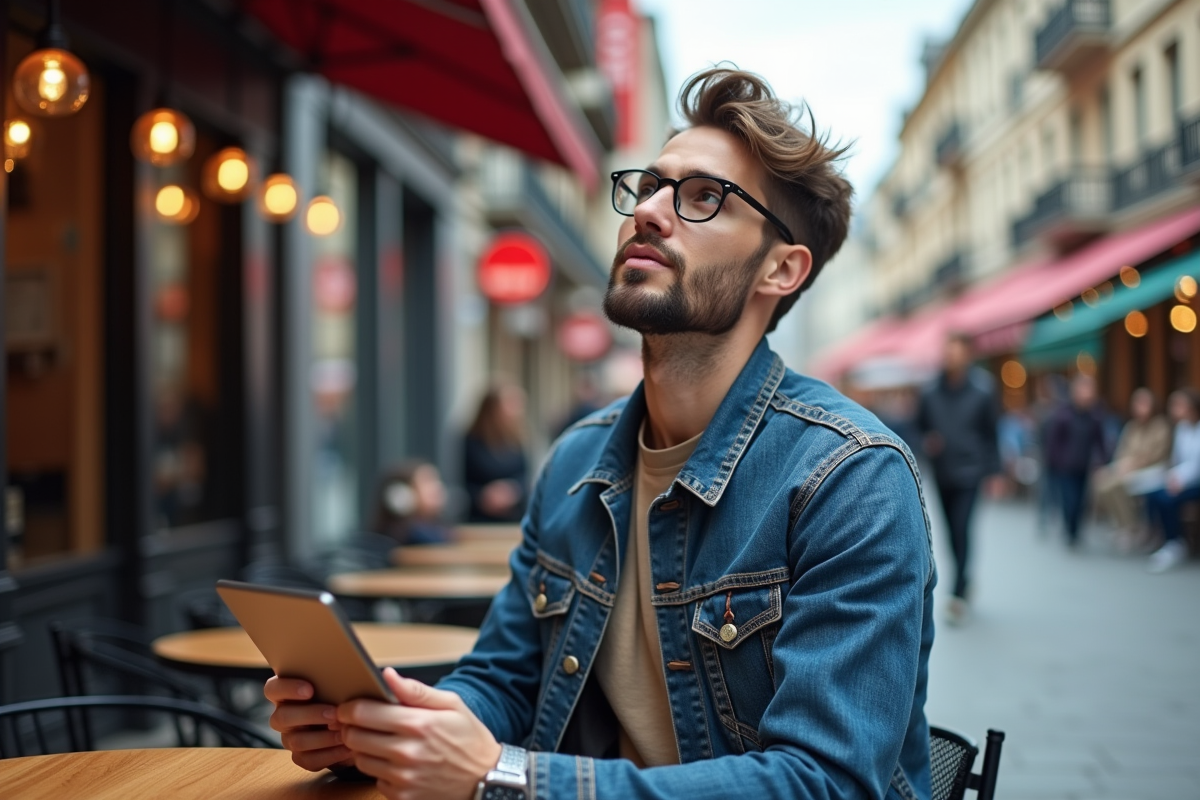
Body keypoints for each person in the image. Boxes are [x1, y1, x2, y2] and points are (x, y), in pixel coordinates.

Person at [266, 68, 935, 800]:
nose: (649, 211)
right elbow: (506, 677)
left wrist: (503, 776)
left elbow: (825, 783)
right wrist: (403, 730)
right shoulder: (577, 461)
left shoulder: (849, 477)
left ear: (781, 268)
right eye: (649, 185)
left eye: (704, 197)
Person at [915, 333, 1001, 626]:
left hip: (971, 470)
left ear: (968, 354)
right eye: (947, 350)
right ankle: (963, 577)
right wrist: (927, 442)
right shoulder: (929, 392)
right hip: (943, 471)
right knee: (951, 531)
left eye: (957, 350)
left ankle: (958, 591)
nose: (951, 356)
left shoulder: (983, 390)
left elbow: (992, 433)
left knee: (963, 528)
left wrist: (994, 472)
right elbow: (918, 427)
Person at [1090, 388, 1171, 550]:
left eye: (1144, 403)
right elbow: (1122, 451)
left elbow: (1156, 455)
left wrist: (1130, 465)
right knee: (1101, 483)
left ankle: (1131, 526)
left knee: (1114, 485)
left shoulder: (1160, 426)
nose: (1139, 407)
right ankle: (1123, 524)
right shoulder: (1132, 426)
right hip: (1128, 468)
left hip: (1152, 471)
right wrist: (1114, 467)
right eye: (1137, 402)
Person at [1044, 374, 1110, 548]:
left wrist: (1102, 461)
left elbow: (1100, 440)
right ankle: (1069, 530)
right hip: (1064, 467)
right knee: (1069, 501)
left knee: (1081, 501)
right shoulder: (1063, 414)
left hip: (1083, 466)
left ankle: (1075, 531)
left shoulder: (1095, 415)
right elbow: (1053, 442)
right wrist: (1054, 462)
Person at [1144, 388, 1200, 573]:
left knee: (1167, 498)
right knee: (1153, 494)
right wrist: (1172, 476)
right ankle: (1165, 537)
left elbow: (1195, 465)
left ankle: (1175, 541)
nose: (1174, 410)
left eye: (1179, 405)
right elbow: (1177, 460)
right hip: (1183, 478)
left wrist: (1179, 479)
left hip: (1194, 481)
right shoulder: (1182, 429)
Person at [462, 384, 529, 523]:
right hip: (479, 519)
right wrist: (483, 496)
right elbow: (461, 480)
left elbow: (525, 476)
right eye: (509, 404)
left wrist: (512, 491)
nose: (516, 410)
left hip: (514, 517)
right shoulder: (471, 441)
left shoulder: (518, 440)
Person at [374, 460, 453, 546]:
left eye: (436, 480)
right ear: (403, 493)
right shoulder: (407, 535)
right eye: (427, 481)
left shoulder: (437, 527)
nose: (437, 487)